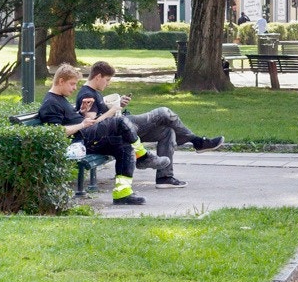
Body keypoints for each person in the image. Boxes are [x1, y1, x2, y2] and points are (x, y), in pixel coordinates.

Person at [78, 61, 225, 189]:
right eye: (107, 80)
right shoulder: (87, 94)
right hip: (119, 130)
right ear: (98, 77)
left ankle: (165, 178)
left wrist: (117, 105)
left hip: (123, 127)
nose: (108, 83)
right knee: (164, 112)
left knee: (167, 131)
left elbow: (100, 114)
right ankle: (197, 141)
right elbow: (92, 125)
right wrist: (112, 111)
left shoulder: (94, 92)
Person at [38, 63, 144, 205]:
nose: (75, 88)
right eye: (72, 84)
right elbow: (56, 132)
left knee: (123, 146)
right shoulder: (50, 103)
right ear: (61, 81)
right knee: (119, 122)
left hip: (86, 139)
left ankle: (122, 193)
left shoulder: (60, 98)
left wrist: (81, 112)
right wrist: (82, 124)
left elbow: (68, 119)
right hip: (81, 140)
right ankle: (143, 155)